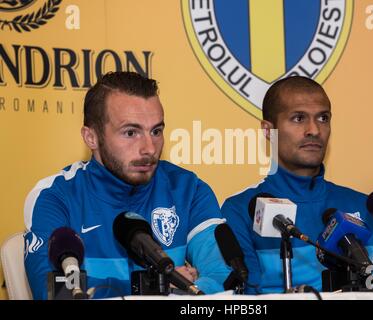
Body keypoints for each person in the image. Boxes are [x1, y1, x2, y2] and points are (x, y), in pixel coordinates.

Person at [24, 71, 231, 299]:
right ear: (91, 137)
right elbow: (57, 291)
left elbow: (223, 276)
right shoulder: (56, 196)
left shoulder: (188, 189)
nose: (149, 148)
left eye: (156, 131)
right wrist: (156, 287)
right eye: (131, 132)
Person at [221, 76, 373, 294]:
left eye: (323, 118)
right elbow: (246, 302)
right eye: (299, 118)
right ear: (267, 131)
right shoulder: (241, 209)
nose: (314, 130)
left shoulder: (367, 207)